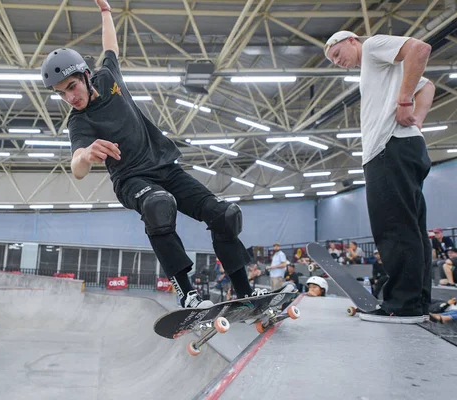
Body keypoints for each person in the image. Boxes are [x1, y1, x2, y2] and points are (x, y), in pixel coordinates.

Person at [41, 0, 282, 310]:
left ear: (86, 76)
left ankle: (244, 293)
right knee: (158, 206)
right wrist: (86, 155)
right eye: (61, 93)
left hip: (166, 168)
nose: (70, 97)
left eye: (72, 86)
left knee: (225, 215)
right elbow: (77, 168)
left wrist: (106, 13)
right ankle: (187, 292)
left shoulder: (108, 77)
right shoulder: (79, 122)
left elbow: (110, 48)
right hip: (131, 180)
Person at [325, 30, 435, 323]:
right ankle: (418, 301)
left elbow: (420, 48)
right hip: (404, 145)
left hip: (388, 148)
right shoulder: (383, 68)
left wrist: (403, 102)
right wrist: (418, 122)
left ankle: (402, 303)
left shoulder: (373, 47)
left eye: (337, 54)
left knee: (394, 227)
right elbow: (428, 86)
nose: (337, 62)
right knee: (412, 227)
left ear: (351, 40)